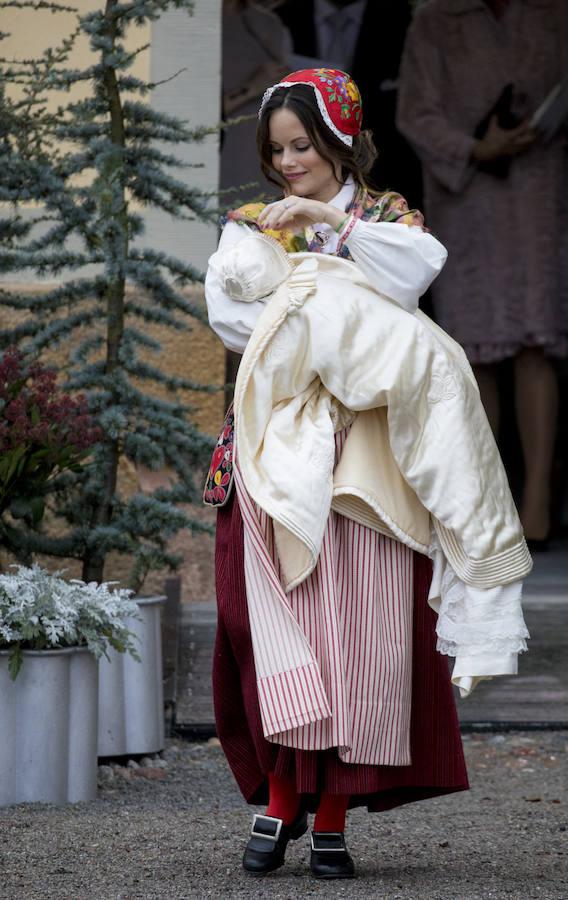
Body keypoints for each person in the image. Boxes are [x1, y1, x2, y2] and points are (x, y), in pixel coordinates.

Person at [204, 68, 530, 880]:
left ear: (339, 143)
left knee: (359, 638)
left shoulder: (388, 221)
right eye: (277, 150)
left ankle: (336, 816)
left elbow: (414, 272)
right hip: (278, 448)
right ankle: (280, 799)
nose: (288, 164)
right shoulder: (246, 224)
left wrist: (322, 231)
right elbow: (236, 315)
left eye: (302, 147)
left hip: (371, 460)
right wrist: (333, 308)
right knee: (276, 630)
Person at [396, 0, 568, 549]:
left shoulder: (552, 13)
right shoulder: (435, 19)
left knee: (535, 345)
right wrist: (474, 147)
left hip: (538, 188)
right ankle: (486, 508)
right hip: (468, 196)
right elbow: (413, 112)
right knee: (474, 357)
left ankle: (538, 503)